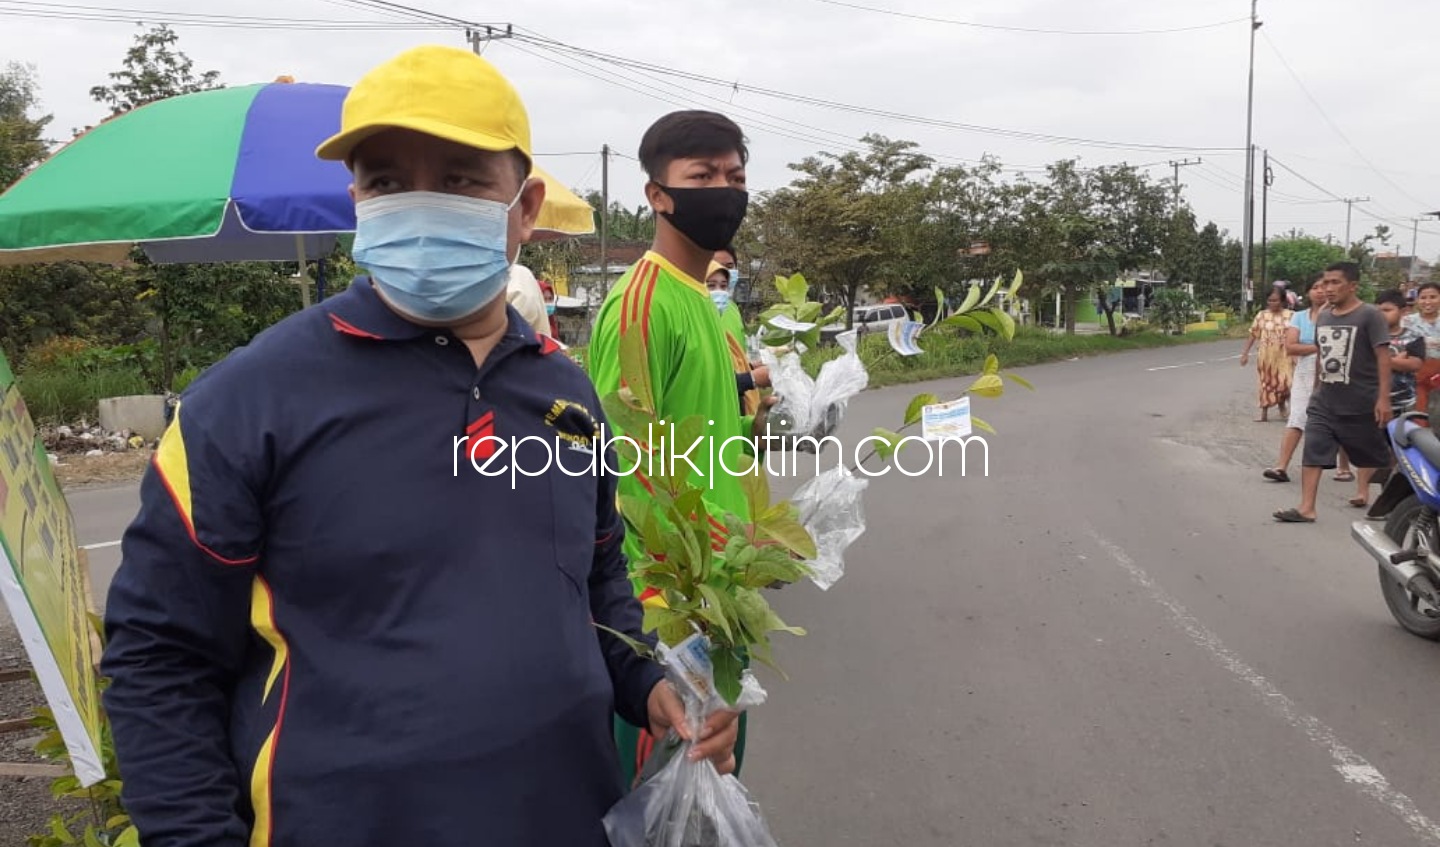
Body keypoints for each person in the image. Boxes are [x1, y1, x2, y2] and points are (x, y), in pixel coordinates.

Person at [98, 46, 738, 847]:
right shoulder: (248, 401)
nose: (420, 205)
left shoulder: (565, 400)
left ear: (526, 204)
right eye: (388, 181)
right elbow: (159, 658)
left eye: (462, 179)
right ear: (357, 197)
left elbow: (598, 581)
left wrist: (650, 683)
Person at [586, 109, 770, 791]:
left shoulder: (709, 304)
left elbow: (717, 439)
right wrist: (663, 601)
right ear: (657, 194)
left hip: (723, 590)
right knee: (660, 795)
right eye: (703, 175)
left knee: (715, 787)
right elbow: (620, 465)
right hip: (668, 602)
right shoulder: (639, 302)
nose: (724, 188)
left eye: (735, 175)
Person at [1274, 262, 1393, 523]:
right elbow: (1321, 354)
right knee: (1314, 448)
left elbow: (1383, 357)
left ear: (1353, 286)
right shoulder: (1325, 316)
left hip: (1361, 401)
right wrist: (1316, 389)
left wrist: (1383, 399)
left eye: (1335, 282)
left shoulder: (1370, 315)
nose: (1328, 288)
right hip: (1325, 400)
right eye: (1325, 282)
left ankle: (1393, 502)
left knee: (1376, 455)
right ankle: (1306, 507)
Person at [1264, 275, 1327, 483]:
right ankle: (1281, 466)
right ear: (1308, 292)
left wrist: (1307, 348)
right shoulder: (1299, 317)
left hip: (1331, 372)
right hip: (1304, 371)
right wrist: (1318, 348)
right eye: (1315, 287)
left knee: (1336, 421)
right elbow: (1291, 346)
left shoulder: (1339, 316)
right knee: (1297, 416)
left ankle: (1345, 468)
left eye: (1324, 287)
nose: (1320, 291)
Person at [1241, 286, 1294, 422]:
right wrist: (1245, 353)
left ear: (1282, 301)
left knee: (1286, 382)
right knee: (1266, 383)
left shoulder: (1291, 316)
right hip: (1266, 357)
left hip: (1285, 356)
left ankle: (1283, 404)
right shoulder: (1262, 315)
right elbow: (1253, 334)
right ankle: (1263, 414)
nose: (1272, 303)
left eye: (1275, 300)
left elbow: (1297, 335)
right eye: (1270, 300)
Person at [1377, 288, 1426, 418]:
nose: (1381, 314)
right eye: (1378, 311)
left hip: (1404, 403)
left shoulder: (1414, 337)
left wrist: (1382, 360)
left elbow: (1415, 364)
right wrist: (1398, 360)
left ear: (1403, 312)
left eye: (1387, 310)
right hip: (1371, 402)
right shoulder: (1368, 336)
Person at [1402, 281, 1440, 359]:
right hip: (1413, 368)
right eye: (1423, 298)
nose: (1427, 302)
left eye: (1433, 297)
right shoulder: (1407, 322)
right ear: (1417, 300)